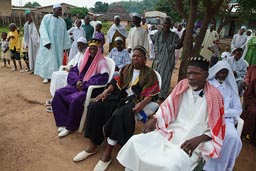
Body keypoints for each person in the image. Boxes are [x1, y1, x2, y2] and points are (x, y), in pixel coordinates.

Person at [117, 56, 225, 171]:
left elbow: (217, 129)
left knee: (170, 166)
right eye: (189, 73)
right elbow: (167, 107)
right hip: (170, 132)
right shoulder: (182, 86)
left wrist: (198, 139)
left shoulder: (215, 95)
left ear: (206, 75)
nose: (191, 77)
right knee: (134, 142)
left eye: (196, 74)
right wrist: (155, 119)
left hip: (191, 142)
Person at [72, 45, 160, 171]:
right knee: (95, 106)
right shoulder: (126, 68)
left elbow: (151, 93)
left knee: (119, 115)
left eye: (139, 56)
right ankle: (93, 145)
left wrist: (141, 105)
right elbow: (116, 82)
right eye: (134, 56)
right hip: (120, 97)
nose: (135, 58)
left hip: (135, 101)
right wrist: (105, 92)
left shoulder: (150, 74)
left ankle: (107, 153)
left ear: (145, 59)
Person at [52, 39, 110, 138]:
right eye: (91, 49)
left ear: (98, 50)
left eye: (95, 49)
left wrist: (84, 84)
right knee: (59, 93)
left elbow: (102, 78)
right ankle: (63, 121)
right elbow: (74, 70)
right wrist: (77, 81)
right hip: (78, 85)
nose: (92, 51)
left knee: (75, 99)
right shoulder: (84, 58)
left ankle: (70, 126)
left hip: (89, 89)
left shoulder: (101, 62)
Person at [204, 60, 242, 171]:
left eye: (225, 72)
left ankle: (222, 166)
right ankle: (206, 165)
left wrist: (223, 113)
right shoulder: (208, 84)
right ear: (215, 71)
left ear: (228, 73)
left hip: (226, 120)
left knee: (232, 137)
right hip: (208, 117)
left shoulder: (231, 87)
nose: (221, 75)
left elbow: (238, 109)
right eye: (220, 72)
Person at [34, 3, 71, 84]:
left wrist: (66, 45)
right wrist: (46, 42)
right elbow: (42, 29)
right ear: (53, 10)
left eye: (61, 10)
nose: (60, 11)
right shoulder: (47, 18)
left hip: (59, 46)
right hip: (48, 45)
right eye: (58, 9)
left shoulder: (62, 21)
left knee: (57, 60)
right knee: (48, 61)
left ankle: (55, 76)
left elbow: (65, 33)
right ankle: (46, 76)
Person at [152, 16, 180, 100]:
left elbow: (178, 46)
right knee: (156, 76)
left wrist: (183, 38)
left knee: (166, 77)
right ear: (162, 24)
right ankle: (154, 93)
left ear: (170, 24)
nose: (166, 25)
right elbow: (154, 43)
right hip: (158, 60)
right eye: (165, 23)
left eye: (168, 23)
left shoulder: (174, 36)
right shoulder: (157, 34)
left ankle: (163, 95)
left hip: (168, 61)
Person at [241, 65, 256, 143]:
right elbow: (247, 78)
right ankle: (247, 132)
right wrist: (246, 83)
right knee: (253, 111)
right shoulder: (253, 69)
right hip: (252, 96)